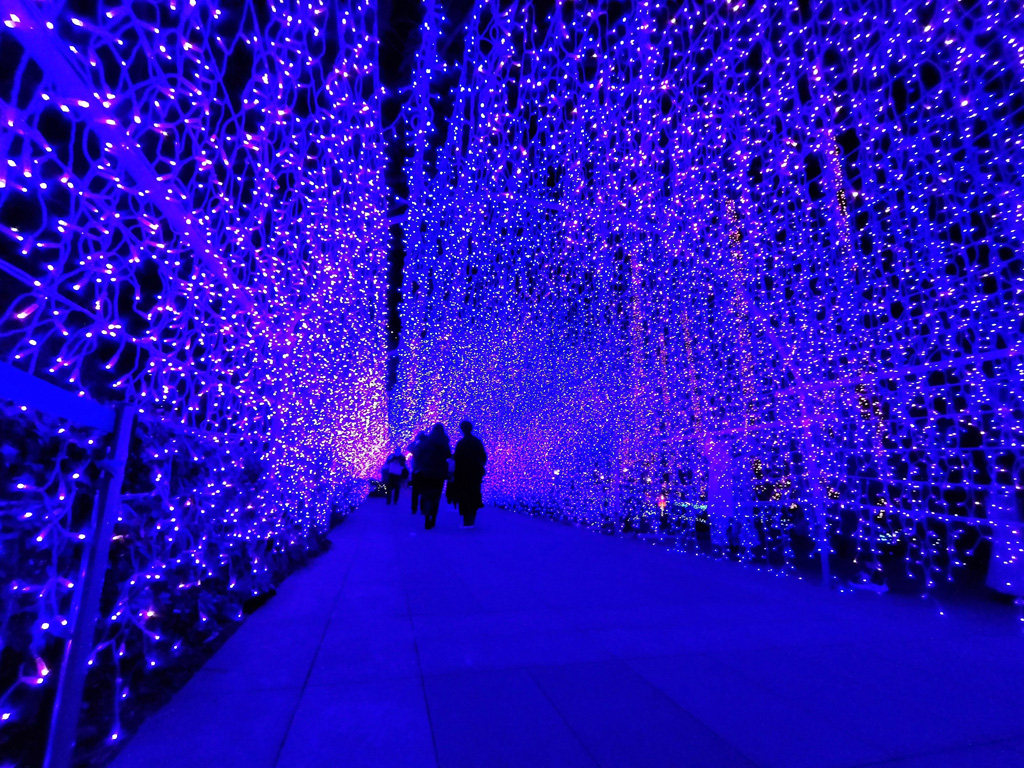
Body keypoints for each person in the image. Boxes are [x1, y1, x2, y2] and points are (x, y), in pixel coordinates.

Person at [415, 423, 451, 530]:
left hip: (426, 472)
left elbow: (418, 454)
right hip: (440, 473)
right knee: (436, 496)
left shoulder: (426, 442)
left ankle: (426, 517)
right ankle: (433, 519)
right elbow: (448, 455)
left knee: (426, 495)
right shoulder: (445, 443)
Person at [453, 420, 487, 526]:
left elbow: (457, 459)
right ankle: (472, 517)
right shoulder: (477, 442)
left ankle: (467, 520)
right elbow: (483, 457)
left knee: (464, 496)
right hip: (475, 473)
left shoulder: (461, 443)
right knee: (474, 494)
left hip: (463, 474)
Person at [408, 432, 427, 515]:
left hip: (416, 471)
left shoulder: (417, 446)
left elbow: (409, 448)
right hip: (425, 471)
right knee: (424, 491)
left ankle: (414, 508)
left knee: (415, 491)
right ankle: (423, 509)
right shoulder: (428, 447)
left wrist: (415, 440)